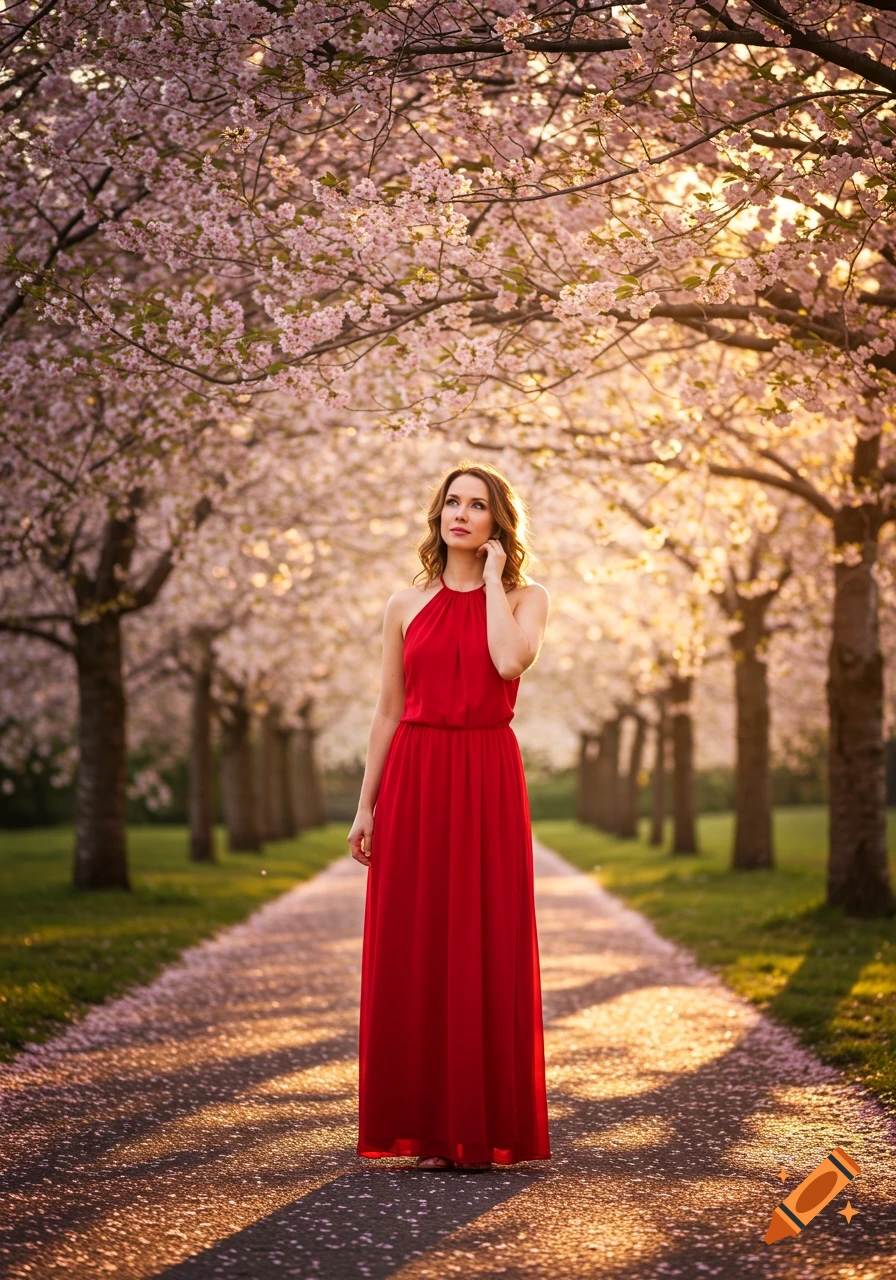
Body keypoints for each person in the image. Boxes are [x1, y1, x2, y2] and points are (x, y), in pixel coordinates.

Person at [348, 460, 552, 1172]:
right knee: (419, 941)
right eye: (452, 502)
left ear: (498, 523)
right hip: (416, 775)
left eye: (478, 505)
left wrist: (492, 579)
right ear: (437, 515)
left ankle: (483, 1123)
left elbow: (507, 663)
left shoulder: (526, 596)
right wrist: (366, 803)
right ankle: (427, 1126)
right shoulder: (404, 605)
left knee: (484, 938)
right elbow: (387, 709)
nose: (460, 513)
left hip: (488, 774)